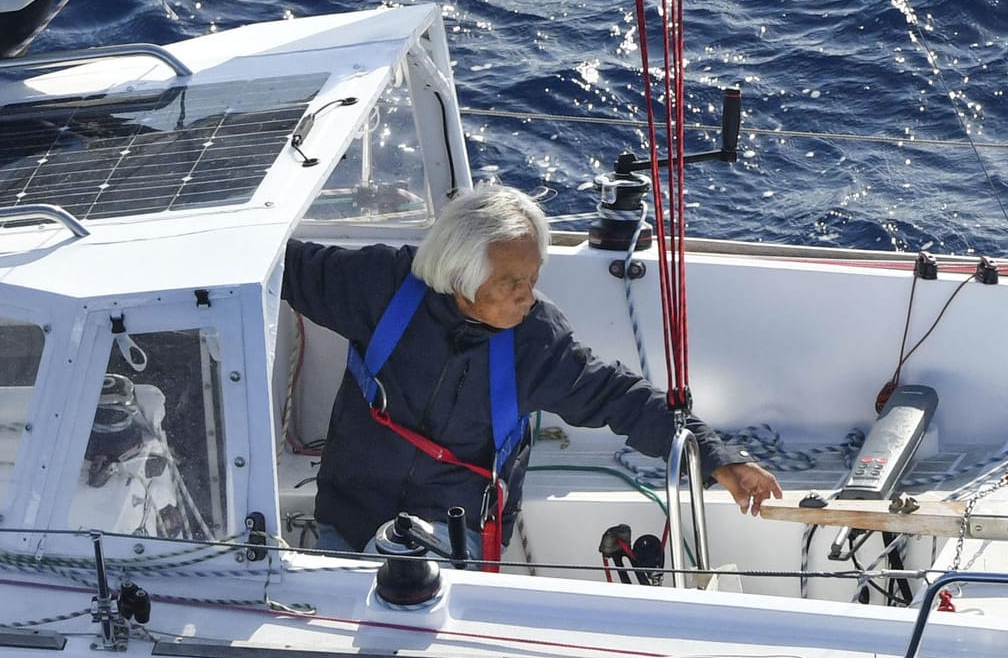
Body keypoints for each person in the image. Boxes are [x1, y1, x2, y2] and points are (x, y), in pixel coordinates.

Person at [283, 184, 782, 559]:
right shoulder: (379, 285)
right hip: (346, 519)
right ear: (460, 277)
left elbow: (621, 396)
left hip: (455, 537)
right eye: (512, 282)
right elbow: (282, 266)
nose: (529, 295)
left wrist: (718, 457)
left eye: (534, 277)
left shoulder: (535, 340)